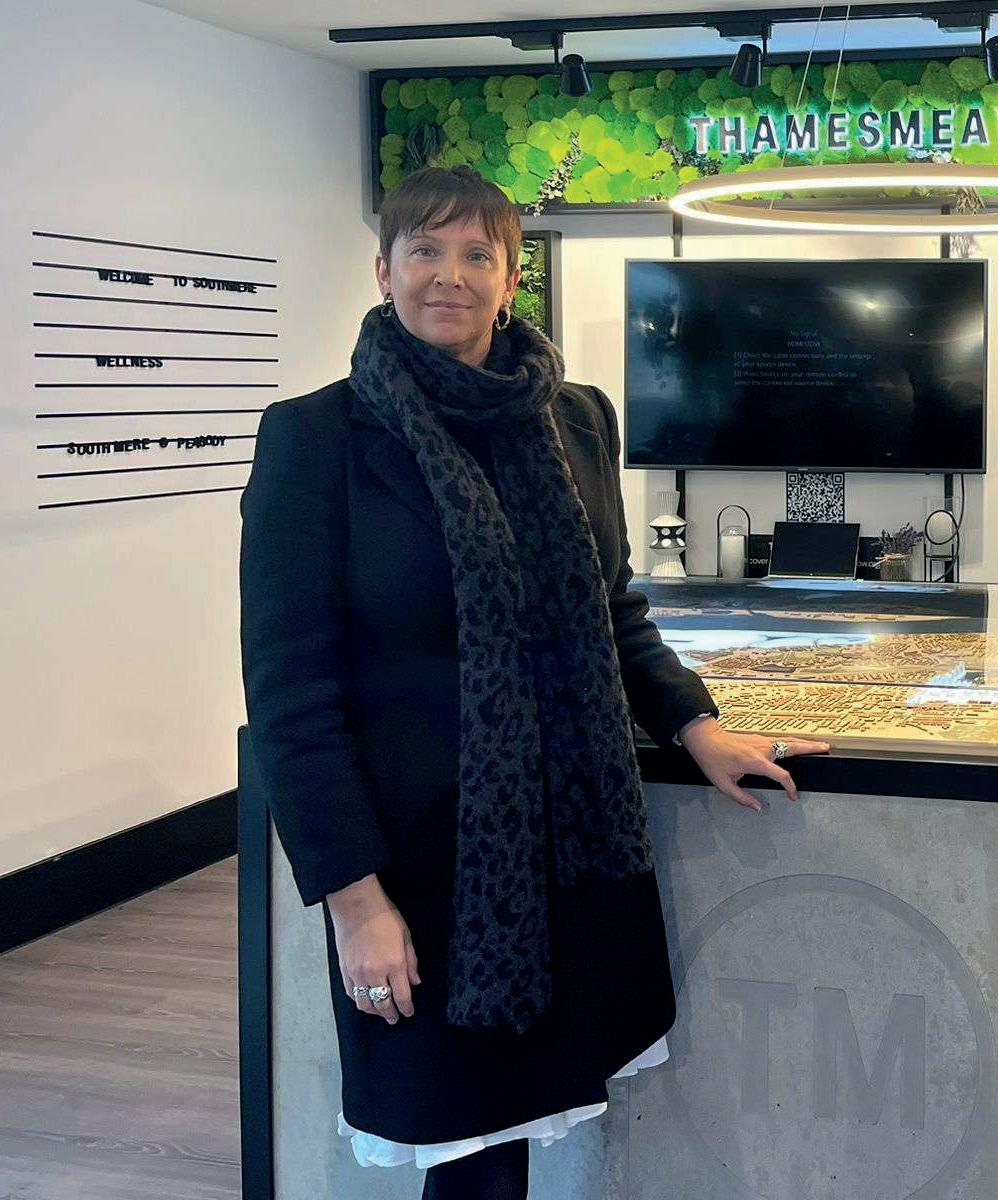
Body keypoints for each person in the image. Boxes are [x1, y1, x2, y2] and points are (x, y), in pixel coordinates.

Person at [241, 166, 828, 1199]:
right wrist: (355, 902)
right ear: (383, 271)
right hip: (423, 869)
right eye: (426, 250)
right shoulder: (318, 438)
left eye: (478, 254)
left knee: (517, 1137)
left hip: (571, 857)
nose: (450, 275)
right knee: (463, 1149)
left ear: (512, 280)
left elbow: (611, 611)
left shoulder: (575, 420)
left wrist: (695, 725)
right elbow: (291, 695)